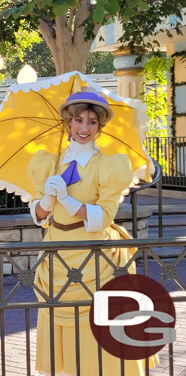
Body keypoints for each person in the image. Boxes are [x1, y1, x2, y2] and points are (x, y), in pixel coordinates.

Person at [26, 91, 157, 376]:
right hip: (56, 253)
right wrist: (46, 201)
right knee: (62, 327)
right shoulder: (49, 162)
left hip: (95, 255)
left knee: (98, 327)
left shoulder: (107, 164)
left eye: (92, 122)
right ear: (68, 123)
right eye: (78, 120)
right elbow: (38, 218)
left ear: (100, 127)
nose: (84, 128)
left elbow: (104, 216)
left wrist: (69, 201)